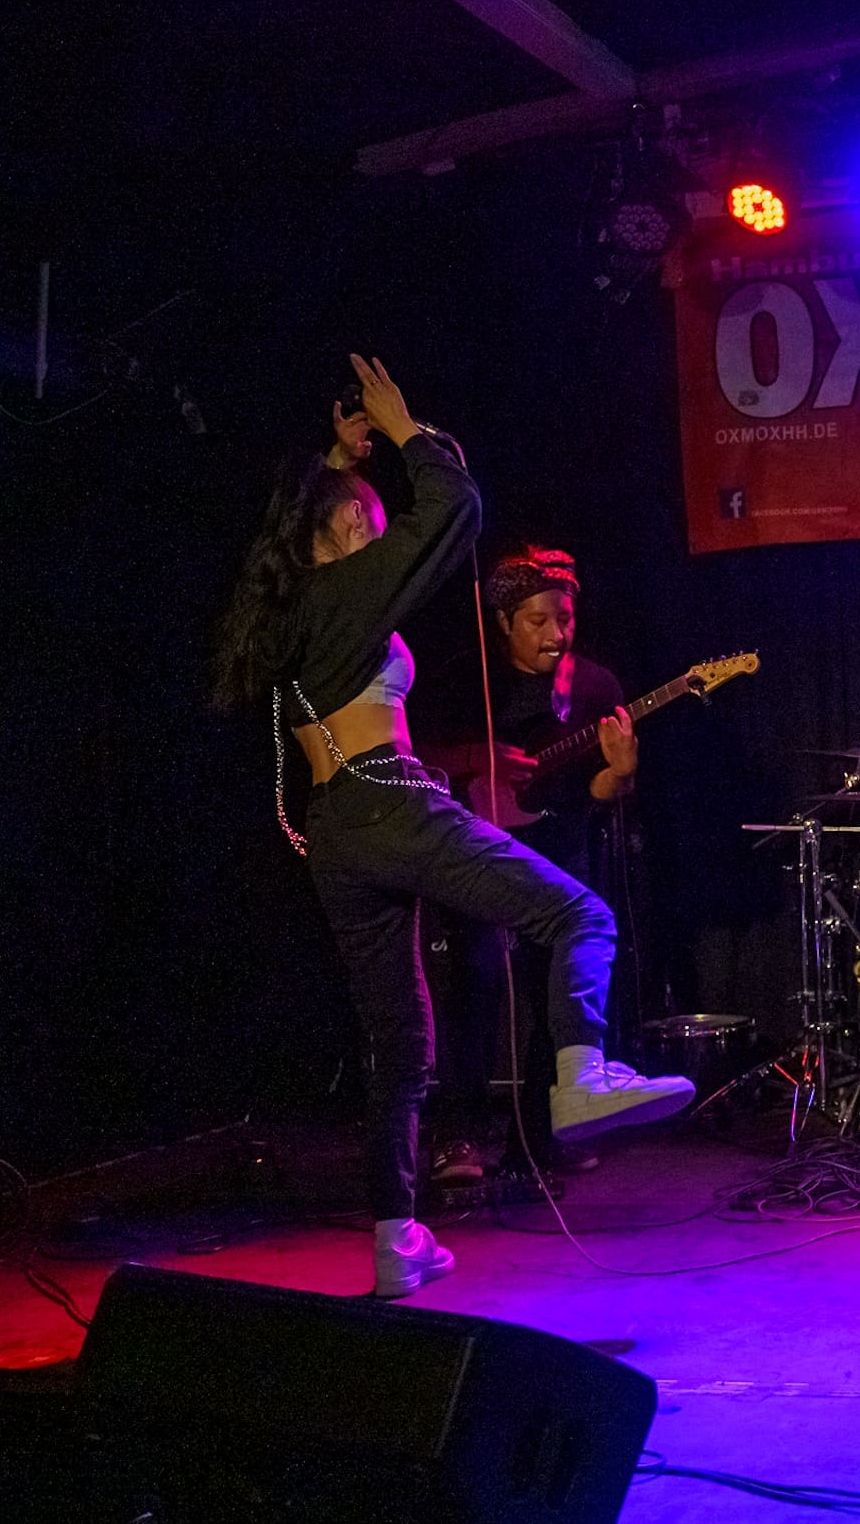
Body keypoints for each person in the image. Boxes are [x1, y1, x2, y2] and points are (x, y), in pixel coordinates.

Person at [212, 355, 692, 1298]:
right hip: (388, 799)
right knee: (582, 915)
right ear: (341, 532)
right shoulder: (346, 591)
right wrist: (404, 431)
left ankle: (397, 1238)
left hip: (335, 829)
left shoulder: (292, 607)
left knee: (399, 1040)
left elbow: (326, 518)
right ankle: (580, 1076)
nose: (378, 529)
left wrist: (339, 458)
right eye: (366, 519)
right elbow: (456, 505)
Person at [415, 546, 644, 1184]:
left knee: (554, 991)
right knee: (476, 980)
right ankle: (458, 1134)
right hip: (474, 850)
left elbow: (596, 793)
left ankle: (541, 1137)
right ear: (504, 621)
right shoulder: (465, 682)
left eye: (564, 619)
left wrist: (620, 773)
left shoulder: (595, 687)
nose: (556, 634)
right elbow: (412, 753)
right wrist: (476, 757)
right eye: (539, 621)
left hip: (560, 849)